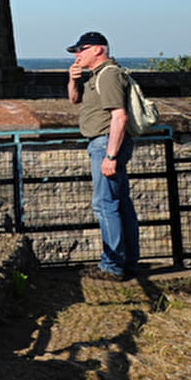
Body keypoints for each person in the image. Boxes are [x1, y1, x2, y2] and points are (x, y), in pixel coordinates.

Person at [67, 30, 140, 280]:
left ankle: (113, 265)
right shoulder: (96, 76)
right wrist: (73, 79)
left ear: (98, 49)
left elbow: (120, 116)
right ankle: (128, 261)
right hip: (105, 143)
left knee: (105, 204)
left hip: (106, 144)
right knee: (120, 203)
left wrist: (110, 157)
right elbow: (74, 100)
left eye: (82, 49)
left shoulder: (108, 75)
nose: (77, 54)